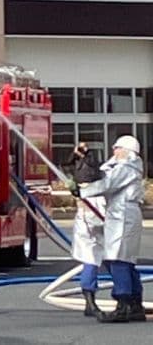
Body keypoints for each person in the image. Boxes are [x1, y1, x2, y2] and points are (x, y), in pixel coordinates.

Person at [71, 135, 146, 323]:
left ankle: (123, 305)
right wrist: (85, 160)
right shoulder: (124, 166)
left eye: (118, 148)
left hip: (123, 216)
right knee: (126, 261)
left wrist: (82, 191)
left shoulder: (127, 168)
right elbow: (102, 173)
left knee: (117, 259)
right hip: (121, 215)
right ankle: (135, 304)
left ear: (128, 150)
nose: (114, 151)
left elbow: (108, 183)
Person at [65, 142, 105, 316]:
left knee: (95, 259)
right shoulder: (101, 190)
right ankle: (126, 298)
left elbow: (67, 169)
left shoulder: (89, 194)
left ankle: (91, 300)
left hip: (88, 226)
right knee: (97, 259)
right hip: (94, 228)